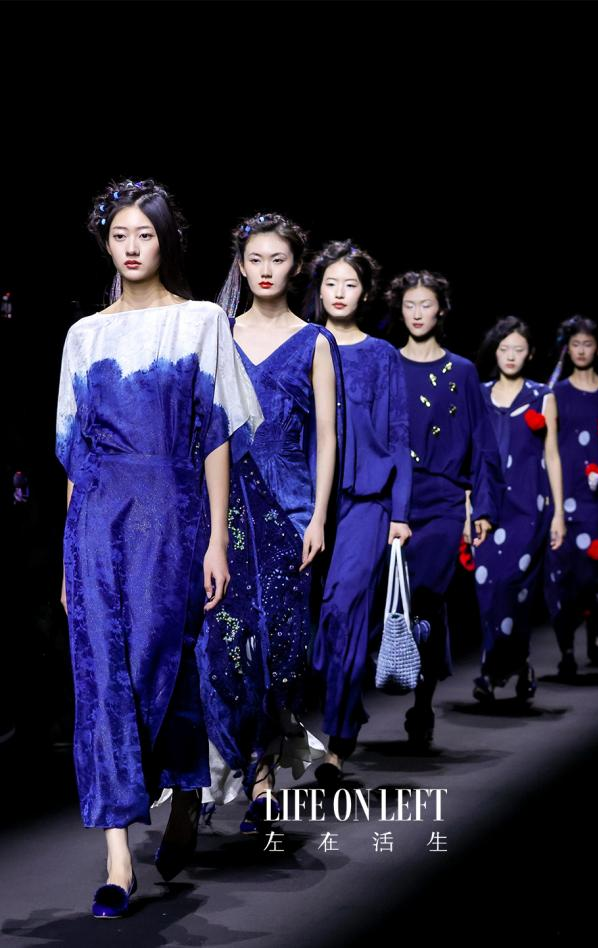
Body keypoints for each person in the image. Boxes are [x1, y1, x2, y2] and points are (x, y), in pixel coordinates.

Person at [56, 179, 261, 916]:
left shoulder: (200, 321)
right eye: (120, 235)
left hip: (173, 516)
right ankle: (118, 856)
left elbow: (216, 436)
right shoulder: (84, 335)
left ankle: (185, 796)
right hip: (97, 519)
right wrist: (67, 558)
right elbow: (76, 454)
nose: (132, 247)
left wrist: (217, 539)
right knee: (102, 678)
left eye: (145, 234)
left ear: (165, 240)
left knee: (165, 665)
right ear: (105, 243)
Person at [199, 213, 341, 831]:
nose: (265, 270)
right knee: (224, 647)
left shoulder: (315, 341)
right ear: (240, 263)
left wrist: (319, 516)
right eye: (254, 259)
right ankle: (229, 776)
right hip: (225, 514)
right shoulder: (218, 333)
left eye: (277, 259)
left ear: (296, 266)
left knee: (280, 651)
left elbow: (327, 437)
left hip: (289, 512)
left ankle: (262, 777)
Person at [306, 240, 412, 788]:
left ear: (365, 293)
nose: (340, 292)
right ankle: (329, 705)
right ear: (318, 290)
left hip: (368, 502)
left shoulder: (382, 355)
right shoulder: (303, 344)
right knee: (312, 623)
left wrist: (400, 511)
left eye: (350, 284)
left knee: (344, 611)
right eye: (331, 283)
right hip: (305, 500)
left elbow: (398, 434)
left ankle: (338, 745)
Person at [389, 270, 501, 745]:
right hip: (392, 498)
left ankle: (422, 701)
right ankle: (388, 678)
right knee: (391, 599)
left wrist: (483, 508)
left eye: (425, 304)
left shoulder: (463, 371)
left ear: (441, 310)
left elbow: (483, 442)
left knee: (426, 597)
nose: (417, 313)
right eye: (409, 305)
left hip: (444, 500)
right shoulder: (387, 363)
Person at [473, 317, 565, 702]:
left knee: (514, 588)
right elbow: (472, 455)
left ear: (530, 354)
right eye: (504, 348)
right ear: (495, 351)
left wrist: (558, 513)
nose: (511, 356)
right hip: (487, 506)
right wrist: (468, 505)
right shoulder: (479, 394)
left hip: (529, 505)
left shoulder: (542, 395)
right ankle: (499, 665)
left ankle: (503, 667)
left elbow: (552, 455)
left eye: (519, 349)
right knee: (487, 588)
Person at [545, 316, 598, 679]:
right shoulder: (556, 393)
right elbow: (548, 446)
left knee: (591, 574)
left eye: (588, 344)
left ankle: (593, 624)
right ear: (568, 348)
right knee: (561, 576)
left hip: (595, 496)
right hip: (564, 493)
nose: (581, 351)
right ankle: (566, 648)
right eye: (575, 344)